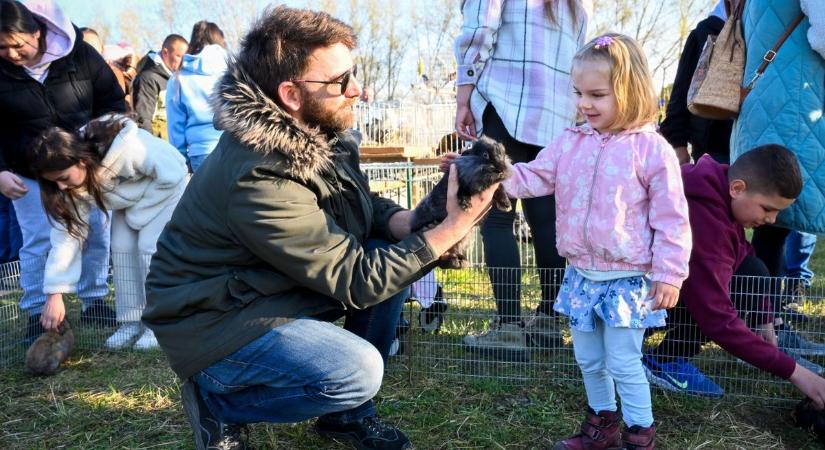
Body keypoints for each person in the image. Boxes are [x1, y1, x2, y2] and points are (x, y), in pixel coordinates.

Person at [141, 6, 498, 450]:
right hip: (213, 320)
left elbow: (359, 205)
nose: (358, 90)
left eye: (355, 73)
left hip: (262, 288)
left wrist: (407, 222)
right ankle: (219, 401)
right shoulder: (259, 174)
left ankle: (346, 418)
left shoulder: (318, 128)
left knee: (387, 247)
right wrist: (450, 228)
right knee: (357, 370)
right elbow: (354, 280)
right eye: (340, 82)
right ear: (290, 93)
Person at [492, 33, 692, 449]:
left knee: (622, 359)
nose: (585, 103)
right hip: (581, 274)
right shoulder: (570, 141)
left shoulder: (652, 150)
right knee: (588, 358)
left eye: (597, 94)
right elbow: (533, 176)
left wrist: (670, 273)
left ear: (631, 90)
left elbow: (672, 218)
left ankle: (640, 434)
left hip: (628, 278)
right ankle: (602, 426)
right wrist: (487, 173)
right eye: (579, 92)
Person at [642, 148, 825, 409]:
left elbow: (744, 257)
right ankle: (664, 360)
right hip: (637, 295)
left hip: (664, 286)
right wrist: (794, 372)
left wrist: (765, 318)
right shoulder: (704, 221)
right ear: (738, 188)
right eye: (767, 208)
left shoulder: (719, 186)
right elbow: (717, 317)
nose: (771, 219)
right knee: (725, 297)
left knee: (754, 272)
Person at [455, 0, 589, 357]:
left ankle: (509, 327)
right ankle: (548, 322)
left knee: (496, 216)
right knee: (546, 220)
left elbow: (480, 30)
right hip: (555, 111)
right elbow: (581, 53)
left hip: (506, 100)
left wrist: (463, 94)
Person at [0, 0, 125, 343]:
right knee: (38, 239)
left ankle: (94, 299)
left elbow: (114, 105)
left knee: (95, 232)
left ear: (37, 33)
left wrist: (96, 151)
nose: (11, 53)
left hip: (83, 165)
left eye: (18, 44)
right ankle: (38, 311)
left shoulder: (79, 56)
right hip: (27, 173)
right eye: (1, 47)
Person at [29, 115, 187, 350]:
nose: (60, 187)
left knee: (148, 248)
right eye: (54, 183)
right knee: (122, 248)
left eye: (63, 178)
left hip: (166, 190)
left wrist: (139, 214)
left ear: (81, 161)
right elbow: (67, 237)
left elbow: (174, 171)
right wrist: (55, 292)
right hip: (130, 200)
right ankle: (132, 321)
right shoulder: (70, 184)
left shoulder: (129, 147)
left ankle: (159, 323)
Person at [729, 0, 825, 353]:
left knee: (770, 225)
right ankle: (766, 326)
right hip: (792, 107)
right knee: (775, 222)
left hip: (762, 102)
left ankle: (763, 322)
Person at [659, 0, 732, 165]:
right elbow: (682, 91)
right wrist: (678, 144)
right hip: (712, 150)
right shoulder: (706, 32)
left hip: (758, 146)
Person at [166, 20, 227, 172]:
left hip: (200, 152)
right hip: (234, 147)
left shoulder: (178, 78)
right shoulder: (232, 69)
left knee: (208, 196)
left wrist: (182, 159)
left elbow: (175, 126)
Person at [132, 34, 188, 138]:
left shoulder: (177, 79)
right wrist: (151, 148)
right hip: (156, 146)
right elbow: (143, 119)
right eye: (179, 56)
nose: (183, 62)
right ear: (165, 53)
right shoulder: (148, 78)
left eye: (185, 57)